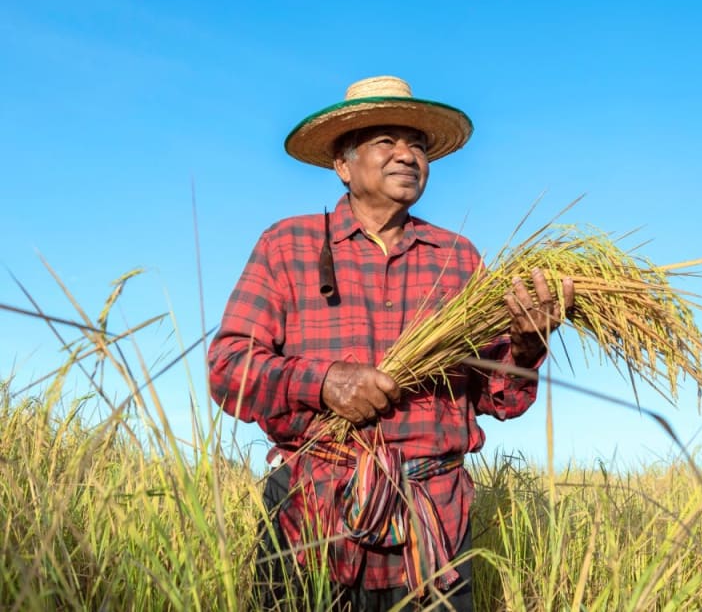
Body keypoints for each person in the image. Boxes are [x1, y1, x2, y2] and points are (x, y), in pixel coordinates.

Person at [207, 75, 574, 611]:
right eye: (386, 141)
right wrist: (325, 382)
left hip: (433, 524)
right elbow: (228, 369)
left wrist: (524, 348)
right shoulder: (288, 244)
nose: (407, 155)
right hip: (311, 517)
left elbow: (496, 397)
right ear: (343, 164)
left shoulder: (457, 257)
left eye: (418, 145)